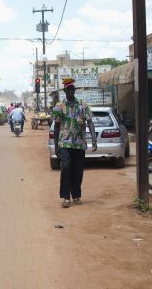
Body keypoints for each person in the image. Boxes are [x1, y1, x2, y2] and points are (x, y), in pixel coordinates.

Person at [52, 77, 97, 208]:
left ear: (74, 90)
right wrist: (56, 146)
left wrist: (94, 139)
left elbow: (90, 122)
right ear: (64, 91)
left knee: (78, 171)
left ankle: (76, 195)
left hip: (79, 143)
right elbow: (56, 126)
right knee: (66, 168)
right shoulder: (59, 106)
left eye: (72, 89)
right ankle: (66, 197)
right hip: (64, 143)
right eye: (68, 89)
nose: (70, 91)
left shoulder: (83, 105)